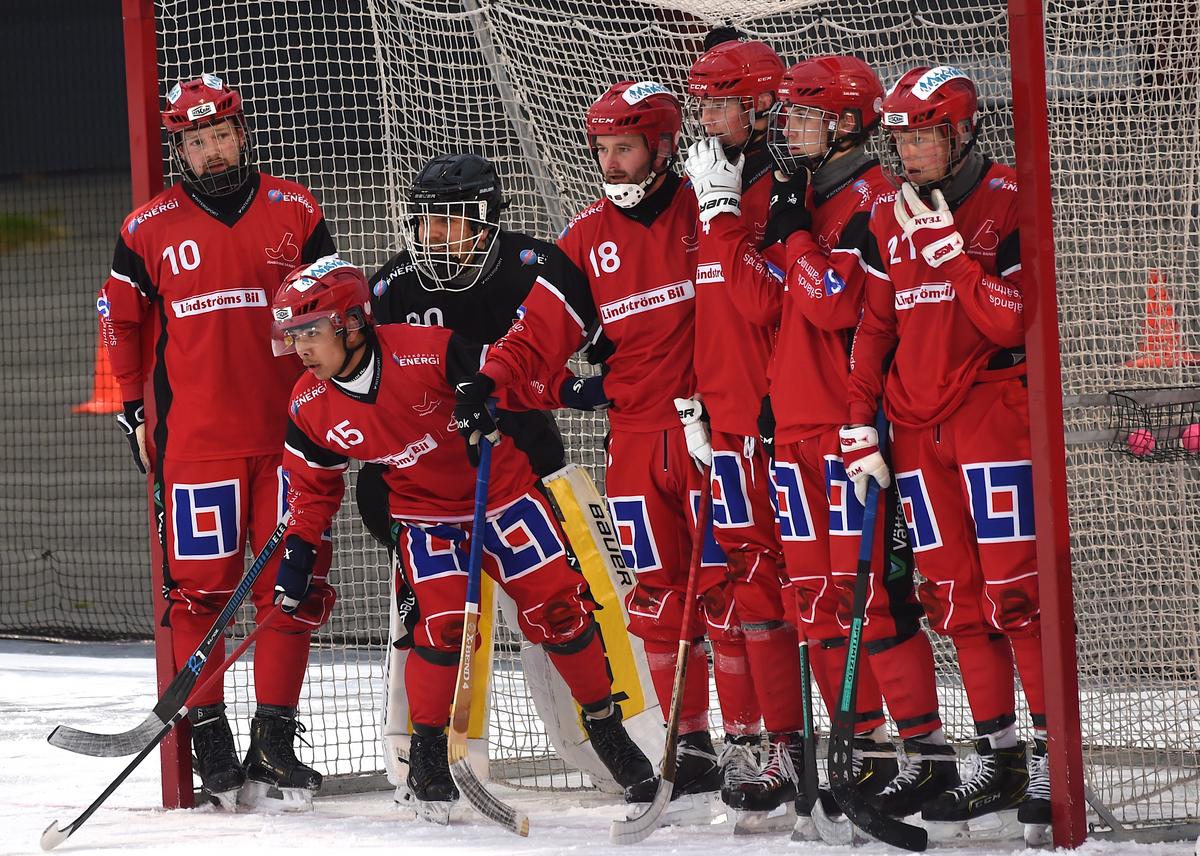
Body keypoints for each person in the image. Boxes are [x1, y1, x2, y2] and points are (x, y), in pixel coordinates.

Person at [453, 80, 763, 821]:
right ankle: (687, 745)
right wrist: (489, 379)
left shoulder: (707, 208)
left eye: (625, 148)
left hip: (709, 434)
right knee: (656, 599)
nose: (613, 163)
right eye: (603, 150)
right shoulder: (586, 238)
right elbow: (536, 334)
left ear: (660, 147)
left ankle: (752, 744)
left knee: (726, 594)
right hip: (634, 441)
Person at [272, 256, 652, 823]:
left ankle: (605, 728)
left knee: (561, 613)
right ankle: (427, 751)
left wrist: (570, 391)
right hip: (426, 519)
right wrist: (299, 550)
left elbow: (507, 376)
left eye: (312, 330)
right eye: (294, 334)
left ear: (352, 323)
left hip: (503, 497)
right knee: (443, 626)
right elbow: (309, 487)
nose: (301, 346)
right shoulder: (308, 404)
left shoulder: (427, 349)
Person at [98, 74, 336, 810]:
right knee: (197, 595)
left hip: (291, 442)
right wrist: (133, 414)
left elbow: (337, 310)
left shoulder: (297, 208)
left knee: (292, 589)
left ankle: (275, 740)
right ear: (180, 147)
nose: (209, 151)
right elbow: (121, 324)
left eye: (219, 135)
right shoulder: (146, 227)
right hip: (196, 446)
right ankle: (209, 737)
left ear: (242, 133)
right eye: (194, 141)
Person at [844, 64, 1045, 829]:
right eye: (900, 137)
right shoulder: (886, 217)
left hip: (995, 415)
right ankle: (998, 761)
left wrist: (953, 256)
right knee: (954, 600)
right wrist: (860, 420)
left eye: (925, 134)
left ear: (961, 133)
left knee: (1017, 598)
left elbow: (1012, 321)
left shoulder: (1010, 200)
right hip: (914, 430)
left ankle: (1052, 755)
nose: (910, 152)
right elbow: (876, 326)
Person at [680, 34, 819, 820]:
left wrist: (724, 210)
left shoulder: (785, 187)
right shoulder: (710, 180)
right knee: (753, 590)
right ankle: (786, 749)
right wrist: (697, 396)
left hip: (784, 426)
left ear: (762, 105)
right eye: (702, 101)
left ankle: (862, 747)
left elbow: (772, 302)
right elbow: (711, 304)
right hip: (725, 426)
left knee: (813, 590)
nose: (706, 117)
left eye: (720, 102)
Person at [357, 153, 580, 548]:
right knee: (375, 488)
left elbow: (602, 339)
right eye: (424, 220)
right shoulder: (393, 287)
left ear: (483, 223)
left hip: (519, 452)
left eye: (446, 220)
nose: (431, 235)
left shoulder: (532, 267)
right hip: (427, 469)